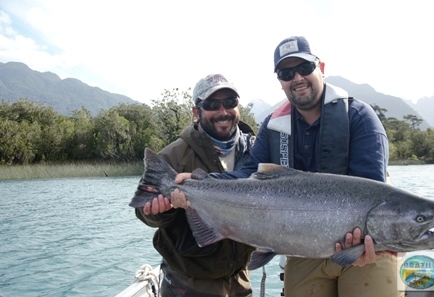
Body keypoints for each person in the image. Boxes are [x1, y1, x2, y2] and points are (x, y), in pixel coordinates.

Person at [169, 36, 403, 297]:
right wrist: (199, 183)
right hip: (303, 247)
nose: (297, 78)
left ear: (321, 68)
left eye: (304, 68)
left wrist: (363, 245)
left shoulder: (360, 118)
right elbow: (247, 176)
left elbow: (373, 192)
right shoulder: (273, 126)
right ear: (280, 81)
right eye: (287, 73)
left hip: (368, 249)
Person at [135, 73, 257, 296]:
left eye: (230, 102)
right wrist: (163, 211)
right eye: (212, 104)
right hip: (188, 285)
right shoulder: (173, 156)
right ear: (196, 111)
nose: (223, 111)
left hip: (240, 280)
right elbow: (145, 212)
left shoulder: (255, 151)